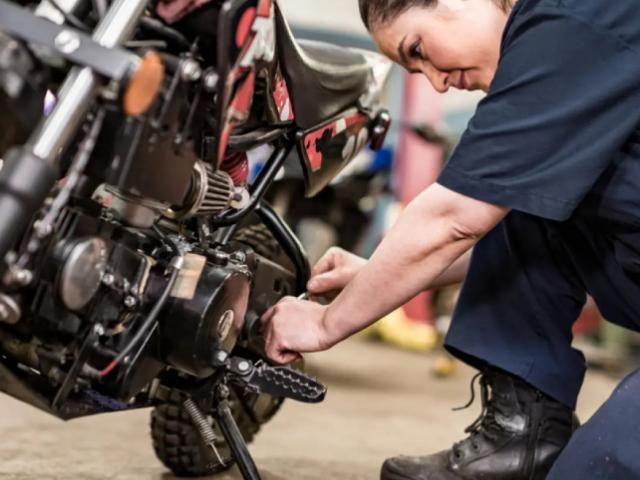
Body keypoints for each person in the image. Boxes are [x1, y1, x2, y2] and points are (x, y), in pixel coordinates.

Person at [261, 0, 640, 478]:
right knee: (518, 198)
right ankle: (523, 437)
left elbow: (453, 218)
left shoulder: (581, 13)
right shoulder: (566, 57)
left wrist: (324, 325)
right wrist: (373, 276)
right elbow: (491, 222)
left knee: (601, 468)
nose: (436, 81)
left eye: (418, 49)